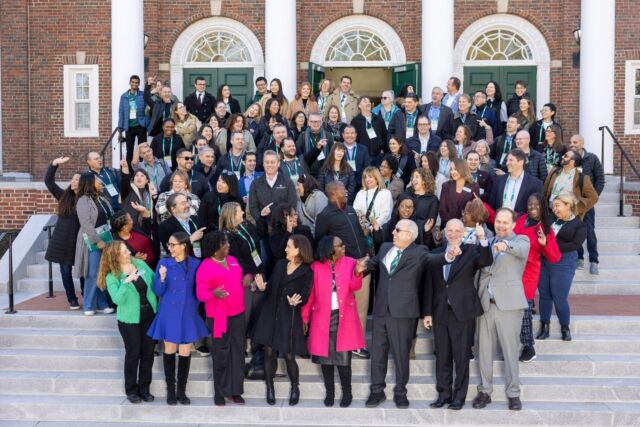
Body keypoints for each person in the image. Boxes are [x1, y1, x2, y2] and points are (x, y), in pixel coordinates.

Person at [358, 219, 451, 409]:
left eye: (398, 230)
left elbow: (434, 260)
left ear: (410, 235)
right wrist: (359, 269)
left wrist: (448, 256)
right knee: (378, 353)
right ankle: (377, 391)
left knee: (401, 354)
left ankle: (401, 392)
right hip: (381, 310)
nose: (393, 232)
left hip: (403, 312)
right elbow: (371, 266)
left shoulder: (419, 252)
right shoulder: (384, 248)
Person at [483, 193, 561, 362]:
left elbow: (555, 257)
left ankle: (529, 347)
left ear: (542, 206)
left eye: (536, 205)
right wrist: (482, 205)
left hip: (527, 275)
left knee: (523, 312)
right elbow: (502, 226)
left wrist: (544, 244)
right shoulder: (521, 219)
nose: (532, 208)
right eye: (530, 205)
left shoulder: (545, 228)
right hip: (509, 270)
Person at [425, 219, 492, 410]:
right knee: (442, 356)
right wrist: (427, 312)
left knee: (461, 357)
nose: (453, 234)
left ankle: (459, 397)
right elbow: (430, 284)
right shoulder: (436, 252)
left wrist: (482, 239)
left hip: (462, 312)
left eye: (457, 230)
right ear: (444, 232)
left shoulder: (471, 251)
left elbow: (486, 260)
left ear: (463, 233)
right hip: (440, 312)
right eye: (450, 230)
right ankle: (443, 394)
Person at [473, 208, 530, 412]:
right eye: (498, 222)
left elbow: (519, 250)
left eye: (505, 222)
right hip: (486, 305)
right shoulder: (486, 242)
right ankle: (485, 391)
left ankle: (514, 393)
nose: (501, 225)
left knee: (510, 351)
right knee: (484, 351)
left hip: (509, 306)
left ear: (513, 224)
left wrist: (505, 245)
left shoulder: (522, 240)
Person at [302, 235, 364, 408]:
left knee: (344, 361)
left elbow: (355, 287)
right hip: (322, 318)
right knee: (325, 361)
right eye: (340, 245)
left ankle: (347, 392)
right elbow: (310, 295)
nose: (344, 246)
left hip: (344, 317)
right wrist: (304, 317)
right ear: (330, 249)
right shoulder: (315, 267)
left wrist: (358, 272)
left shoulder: (351, 262)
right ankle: (330, 393)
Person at [148, 231, 209, 405]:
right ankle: (171, 390)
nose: (170, 248)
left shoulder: (196, 264)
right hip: (169, 312)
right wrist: (162, 278)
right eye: (169, 244)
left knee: (184, 351)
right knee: (169, 349)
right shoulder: (164, 263)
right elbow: (158, 291)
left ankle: (181, 391)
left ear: (183, 245)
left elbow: (200, 290)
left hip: (188, 312)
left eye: (173, 244)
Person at [252, 235, 314, 406]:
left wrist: (297, 299)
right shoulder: (280, 264)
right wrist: (264, 287)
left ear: (299, 250)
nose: (285, 249)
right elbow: (271, 286)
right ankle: (270, 387)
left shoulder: (307, 271)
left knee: (288, 355)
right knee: (269, 352)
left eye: (289, 246)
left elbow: (305, 293)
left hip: (289, 316)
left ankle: (295, 387)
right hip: (271, 314)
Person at [315, 181, 371, 359]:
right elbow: (321, 242)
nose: (346, 191)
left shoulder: (351, 209)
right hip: (343, 268)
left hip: (362, 264)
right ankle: (345, 343)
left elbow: (360, 234)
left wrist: (367, 254)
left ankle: (357, 344)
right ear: (332, 193)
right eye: (342, 189)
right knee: (345, 307)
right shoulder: (324, 215)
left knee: (362, 306)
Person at [99, 240, 158, 404]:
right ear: (115, 256)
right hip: (129, 320)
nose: (128, 252)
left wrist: (163, 276)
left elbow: (153, 280)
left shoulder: (139, 263)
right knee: (133, 354)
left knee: (148, 354)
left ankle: (145, 389)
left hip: (149, 314)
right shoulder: (113, 276)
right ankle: (131, 390)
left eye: (127, 249)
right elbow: (117, 299)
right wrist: (127, 281)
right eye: (124, 251)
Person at [196, 231, 247, 406]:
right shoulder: (205, 266)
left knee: (238, 353)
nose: (228, 246)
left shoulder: (232, 260)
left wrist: (247, 278)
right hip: (219, 316)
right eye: (224, 243)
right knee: (221, 354)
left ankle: (236, 391)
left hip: (238, 313)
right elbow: (200, 294)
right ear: (215, 247)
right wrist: (213, 293)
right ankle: (220, 392)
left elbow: (239, 278)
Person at [537, 195, 587, 341]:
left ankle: (565, 327)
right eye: (553, 205)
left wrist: (550, 245)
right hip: (545, 260)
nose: (554, 208)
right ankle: (544, 326)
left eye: (558, 205)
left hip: (564, 262)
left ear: (568, 205)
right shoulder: (550, 219)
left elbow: (574, 245)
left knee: (559, 297)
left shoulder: (579, 225)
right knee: (544, 295)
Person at [248, 150, 298, 277]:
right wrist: (260, 214)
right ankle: (269, 288)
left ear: (278, 163)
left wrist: (285, 221)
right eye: (267, 162)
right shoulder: (256, 183)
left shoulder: (287, 182)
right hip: (264, 231)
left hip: (282, 232)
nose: (269, 165)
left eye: (272, 162)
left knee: (283, 261)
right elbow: (252, 206)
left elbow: (293, 205)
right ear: (263, 164)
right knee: (267, 262)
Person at [217, 202, 264, 339]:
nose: (243, 213)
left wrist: (258, 273)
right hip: (244, 278)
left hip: (258, 272)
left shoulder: (246, 225)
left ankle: (255, 343)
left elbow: (258, 240)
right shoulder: (226, 236)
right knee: (245, 312)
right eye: (239, 212)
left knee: (258, 310)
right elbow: (236, 259)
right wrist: (249, 276)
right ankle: (240, 343)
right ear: (231, 215)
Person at [74, 172, 115, 316]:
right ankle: (89, 305)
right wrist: (98, 241)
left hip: (107, 238)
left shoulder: (102, 197)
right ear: (90, 182)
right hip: (92, 241)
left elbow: (109, 217)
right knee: (92, 273)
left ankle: (102, 303)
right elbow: (86, 224)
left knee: (103, 272)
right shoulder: (83, 200)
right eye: (97, 179)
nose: (100, 181)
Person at [44, 156, 81, 309]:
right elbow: (49, 182)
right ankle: (72, 299)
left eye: (77, 179)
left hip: (79, 240)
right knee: (65, 271)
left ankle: (88, 295)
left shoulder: (88, 199)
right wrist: (54, 164)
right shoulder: (63, 196)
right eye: (72, 179)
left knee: (84, 271)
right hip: (63, 240)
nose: (73, 181)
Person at [569, 134, 605, 274]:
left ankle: (594, 260)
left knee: (589, 231)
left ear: (582, 144)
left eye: (575, 142)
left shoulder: (592, 158)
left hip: (587, 203)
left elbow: (600, 179)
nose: (573, 145)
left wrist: (593, 198)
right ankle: (579, 257)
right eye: (571, 142)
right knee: (575, 231)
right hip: (573, 203)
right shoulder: (569, 158)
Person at [543, 149, 599, 221]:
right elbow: (545, 191)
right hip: (551, 214)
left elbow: (594, 198)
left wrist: (577, 209)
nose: (562, 156)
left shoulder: (582, 178)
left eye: (566, 156)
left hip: (569, 217)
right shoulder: (554, 172)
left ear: (572, 162)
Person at [489, 149, 544, 215]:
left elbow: (536, 210)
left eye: (511, 160)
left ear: (521, 162)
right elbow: (491, 204)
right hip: (500, 222)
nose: (507, 163)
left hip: (521, 223)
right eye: (507, 160)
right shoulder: (498, 181)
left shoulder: (535, 184)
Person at [439, 158, 480, 226]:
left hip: (466, 226)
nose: (452, 172)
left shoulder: (474, 186)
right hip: (448, 225)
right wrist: (452, 224)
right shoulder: (446, 186)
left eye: (455, 169)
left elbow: (475, 209)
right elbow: (442, 209)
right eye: (451, 169)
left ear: (462, 169)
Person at [118, 75, 148, 167]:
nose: (134, 84)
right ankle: (129, 172)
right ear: (130, 83)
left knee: (142, 149)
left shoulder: (142, 95)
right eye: (133, 82)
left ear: (138, 84)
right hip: (129, 126)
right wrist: (120, 129)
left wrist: (146, 122)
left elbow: (148, 109)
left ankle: (143, 169)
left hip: (140, 125)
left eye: (136, 82)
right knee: (129, 150)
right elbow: (121, 112)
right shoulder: (124, 96)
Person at [118, 162, 155, 237]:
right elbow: (125, 182)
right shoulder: (128, 191)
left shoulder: (150, 193)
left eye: (142, 176)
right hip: (131, 229)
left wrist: (155, 195)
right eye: (136, 176)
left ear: (147, 180)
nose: (139, 177)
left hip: (146, 227)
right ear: (133, 179)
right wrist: (125, 168)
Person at [351, 96, 387, 165]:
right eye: (365, 101)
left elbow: (384, 136)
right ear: (359, 105)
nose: (368, 103)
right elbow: (353, 139)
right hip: (362, 155)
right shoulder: (355, 121)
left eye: (369, 101)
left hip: (378, 155)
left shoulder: (379, 119)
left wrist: (383, 149)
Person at [296, 112, 333, 178]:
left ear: (321, 122)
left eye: (318, 121)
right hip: (307, 173)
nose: (315, 124)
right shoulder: (302, 136)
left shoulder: (328, 136)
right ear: (308, 122)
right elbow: (299, 155)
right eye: (312, 121)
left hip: (324, 174)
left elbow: (332, 154)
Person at [341, 125, 370, 191]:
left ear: (356, 134)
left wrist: (356, 181)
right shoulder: (337, 148)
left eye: (352, 133)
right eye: (347, 133)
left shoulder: (363, 149)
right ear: (343, 135)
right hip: (342, 185)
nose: (350, 135)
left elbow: (366, 167)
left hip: (359, 185)